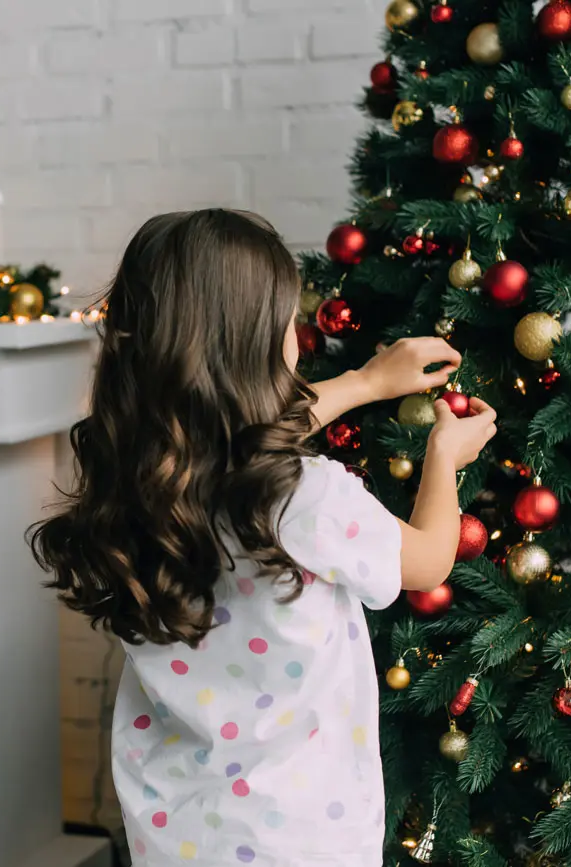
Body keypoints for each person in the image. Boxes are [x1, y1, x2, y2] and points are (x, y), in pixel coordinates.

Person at [30, 210, 496, 866]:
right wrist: (444, 457)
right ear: (254, 343)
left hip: (178, 824)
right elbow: (426, 560)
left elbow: (251, 434)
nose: (297, 336)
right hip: (301, 833)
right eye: (286, 321)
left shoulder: (136, 474)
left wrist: (365, 383)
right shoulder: (306, 496)